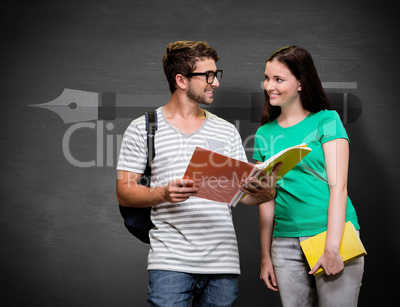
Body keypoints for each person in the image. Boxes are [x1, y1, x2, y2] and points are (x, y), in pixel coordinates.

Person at [116, 41, 278, 307]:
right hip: (170, 261)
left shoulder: (225, 131)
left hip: (223, 262)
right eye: (208, 76)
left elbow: (240, 196)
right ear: (181, 80)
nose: (215, 83)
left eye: (216, 74)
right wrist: (163, 193)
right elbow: (124, 192)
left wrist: (265, 192)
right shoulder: (144, 128)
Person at [255, 46, 364, 306]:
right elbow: (266, 200)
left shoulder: (326, 120)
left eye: (278, 79)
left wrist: (332, 247)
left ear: (301, 83)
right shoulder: (263, 134)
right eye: (267, 78)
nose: (269, 85)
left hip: (331, 234)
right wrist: (265, 256)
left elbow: (339, 187)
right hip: (284, 243)